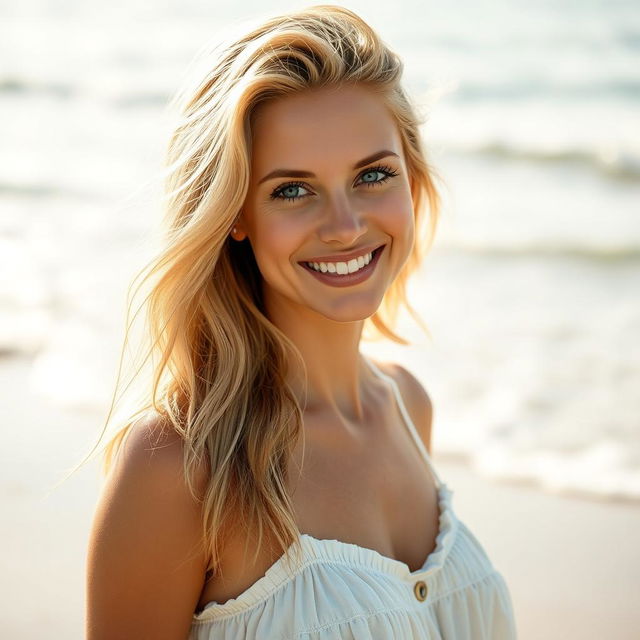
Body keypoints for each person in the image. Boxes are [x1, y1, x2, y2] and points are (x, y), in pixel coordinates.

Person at [86, 5, 517, 639]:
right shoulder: (179, 465)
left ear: (412, 179)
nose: (345, 226)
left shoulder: (407, 405)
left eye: (373, 175)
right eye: (292, 188)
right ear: (233, 211)